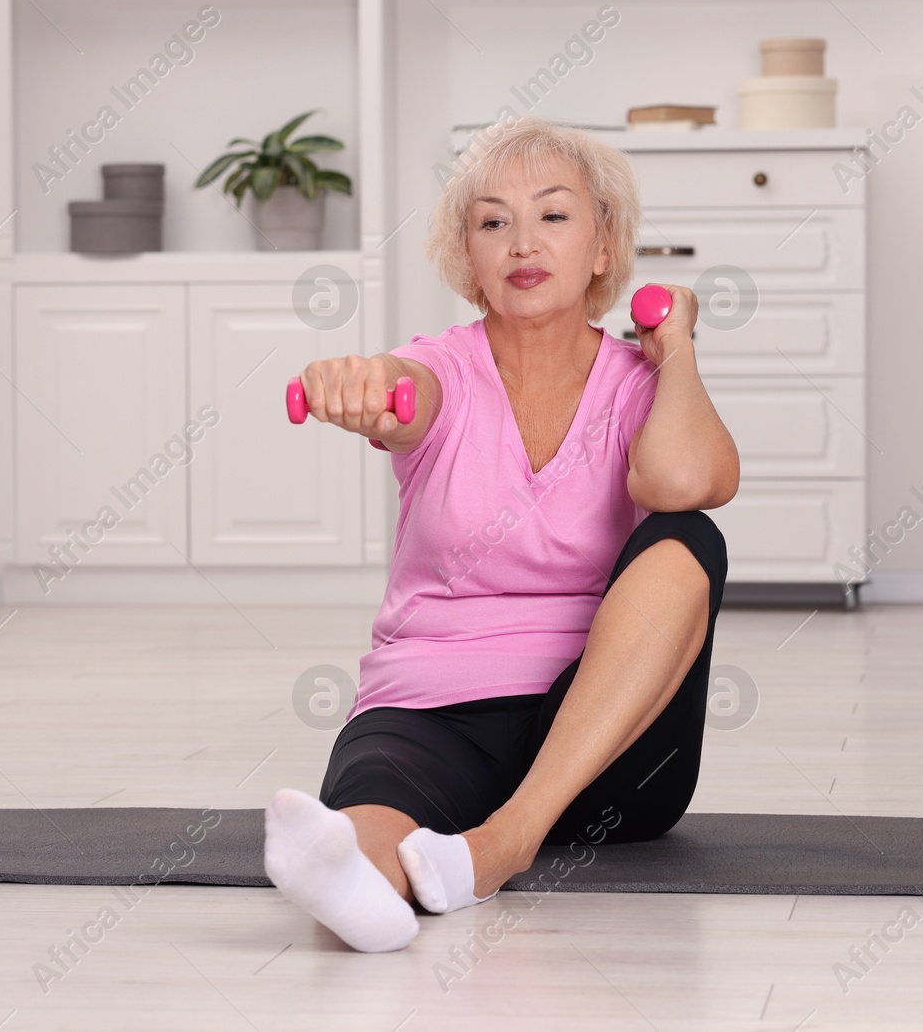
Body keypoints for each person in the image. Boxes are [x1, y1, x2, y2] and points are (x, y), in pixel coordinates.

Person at [263, 116, 739, 952]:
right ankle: (366, 885)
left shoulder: (637, 386)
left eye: (553, 215)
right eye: (493, 221)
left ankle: (507, 840)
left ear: (603, 247)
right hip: (434, 710)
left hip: (606, 741)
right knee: (362, 827)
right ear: (470, 259)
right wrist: (359, 382)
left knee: (688, 538)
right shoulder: (441, 367)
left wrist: (677, 350)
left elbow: (686, 482)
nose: (523, 241)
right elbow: (400, 389)